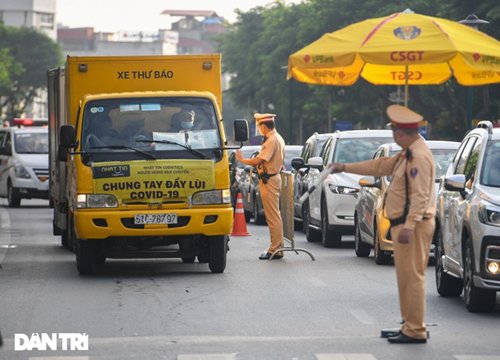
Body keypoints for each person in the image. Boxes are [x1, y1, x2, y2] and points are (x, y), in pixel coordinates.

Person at [328, 105, 435, 344]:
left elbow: (420, 195)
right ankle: (409, 324)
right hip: (404, 224)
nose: (394, 136)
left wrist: (409, 224)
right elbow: (380, 166)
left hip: (414, 226)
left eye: (395, 131)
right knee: (405, 277)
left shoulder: (417, 156)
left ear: (401, 133)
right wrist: (345, 167)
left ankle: (415, 329)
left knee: (413, 278)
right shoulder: (408, 153)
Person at [236, 113, 285, 260]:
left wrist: (242, 160)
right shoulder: (276, 138)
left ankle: (275, 249)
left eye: (259, 126)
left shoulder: (272, 140)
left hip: (269, 180)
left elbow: (259, 160)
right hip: (270, 179)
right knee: (273, 216)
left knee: (273, 217)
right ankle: (276, 247)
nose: (259, 129)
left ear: (264, 126)